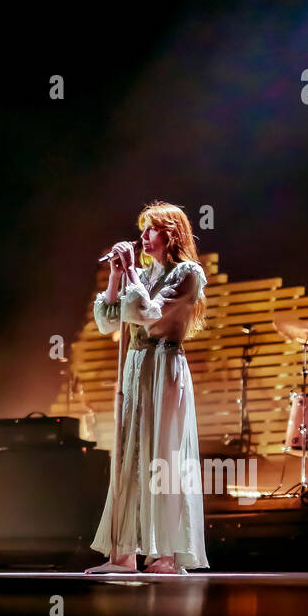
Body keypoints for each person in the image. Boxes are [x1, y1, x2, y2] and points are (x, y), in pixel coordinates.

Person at [85, 202, 210, 575]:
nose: (142, 238)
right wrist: (114, 276)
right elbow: (109, 323)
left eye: (150, 230)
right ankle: (123, 555)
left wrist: (132, 280)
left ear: (169, 234)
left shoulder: (188, 274)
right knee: (130, 454)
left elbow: (149, 315)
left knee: (162, 458)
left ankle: (166, 556)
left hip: (165, 365)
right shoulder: (141, 273)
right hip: (137, 367)